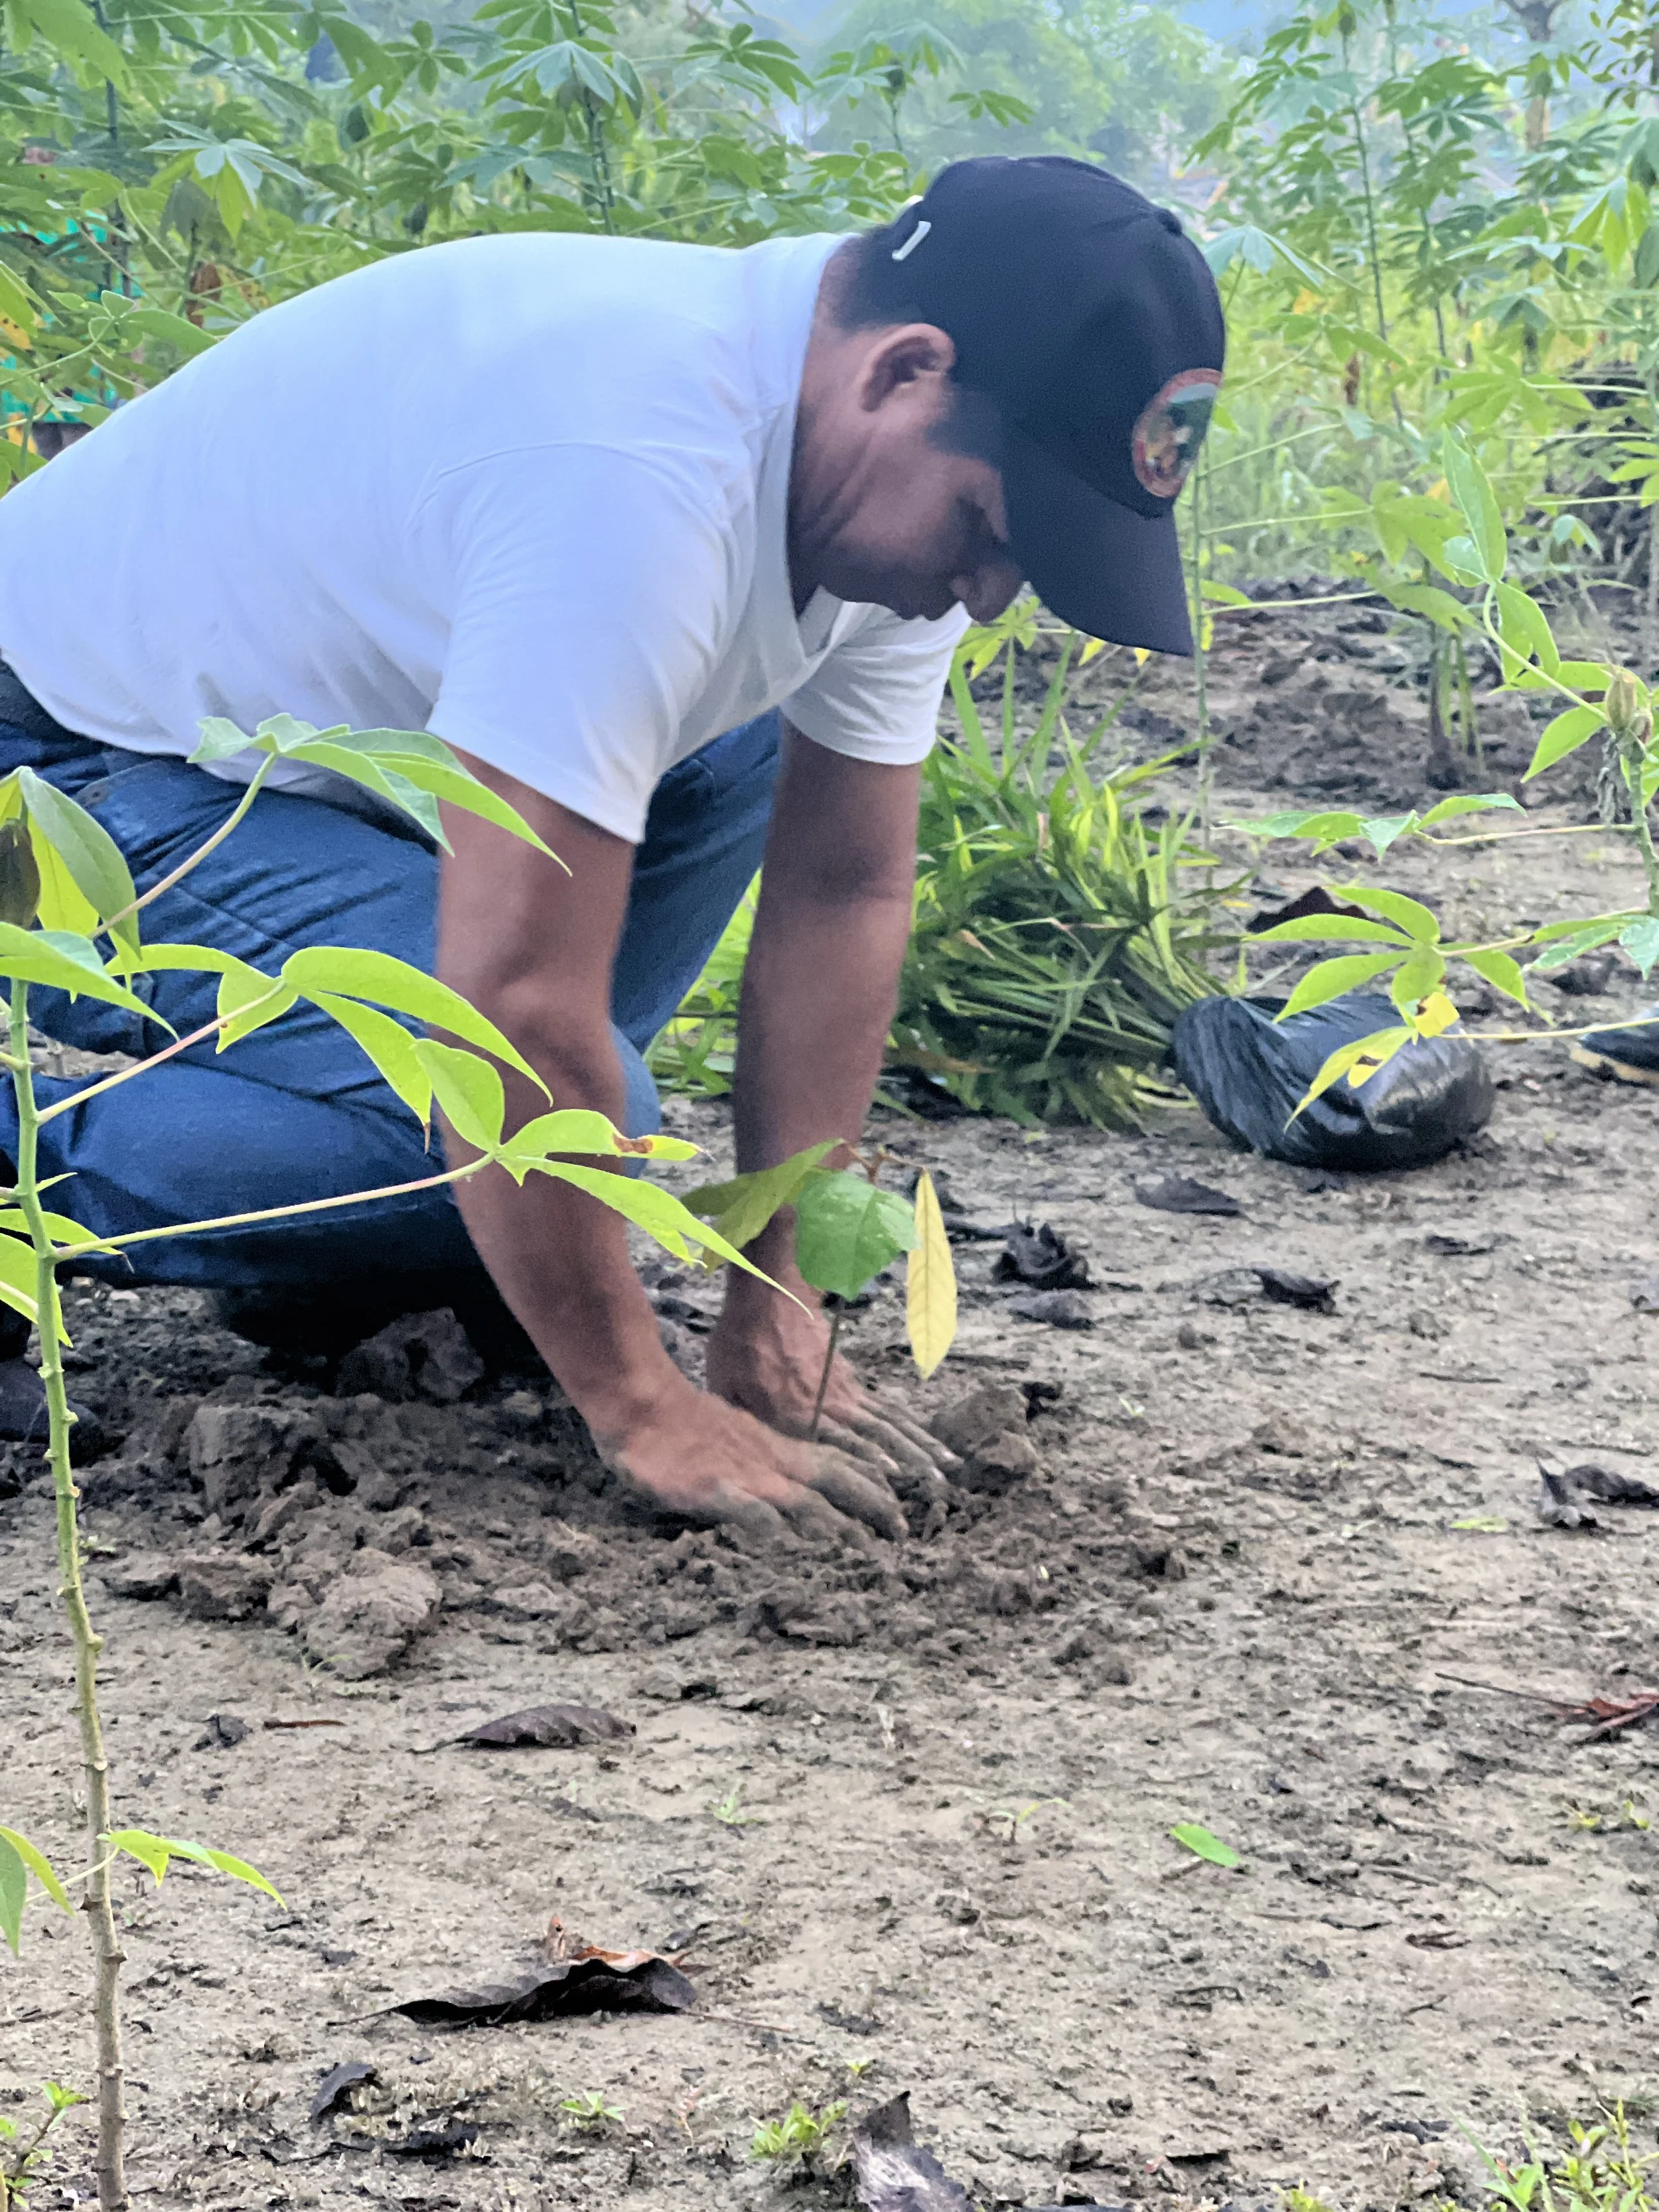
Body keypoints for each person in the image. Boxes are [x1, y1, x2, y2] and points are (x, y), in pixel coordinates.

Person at [0, 155, 1224, 1536]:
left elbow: (845, 883)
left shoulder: (861, 466)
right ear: (904, 372)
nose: (989, 595)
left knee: (735, 754)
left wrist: (781, 1296)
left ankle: (386, 1240)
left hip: (314, 765)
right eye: (992, 529)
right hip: (62, 761)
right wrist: (640, 1404)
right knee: (570, 1124)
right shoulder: (633, 467)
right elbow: (509, 1011)